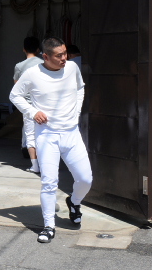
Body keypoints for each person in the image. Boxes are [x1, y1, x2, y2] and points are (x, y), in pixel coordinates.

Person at [9, 37, 92, 244]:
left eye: (65, 53)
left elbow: (80, 88)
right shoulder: (32, 73)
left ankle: (74, 202)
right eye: (59, 55)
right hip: (47, 135)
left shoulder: (72, 68)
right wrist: (32, 112)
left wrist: (77, 111)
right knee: (49, 182)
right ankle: (48, 225)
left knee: (85, 179)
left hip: (71, 133)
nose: (64, 58)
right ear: (45, 57)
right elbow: (15, 95)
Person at [13, 36, 43, 172]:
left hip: (28, 106)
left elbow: (17, 88)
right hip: (44, 104)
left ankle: (35, 166)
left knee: (30, 136)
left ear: (24, 49)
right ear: (38, 49)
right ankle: (46, 163)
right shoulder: (45, 63)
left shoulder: (19, 66)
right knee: (45, 135)